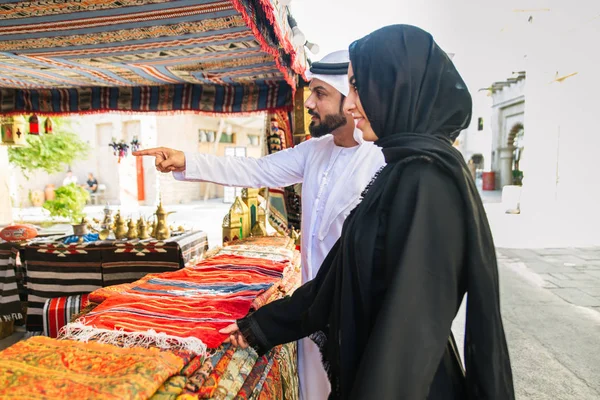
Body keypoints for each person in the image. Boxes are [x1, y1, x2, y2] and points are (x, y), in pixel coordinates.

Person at [219, 25, 515, 399]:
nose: (349, 104)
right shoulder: (399, 170)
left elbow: (409, 331)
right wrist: (258, 328)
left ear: (397, 88)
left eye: (359, 87)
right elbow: (336, 281)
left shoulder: (426, 180)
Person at [133, 50, 385, 400]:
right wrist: (187, 160)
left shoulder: (380, 160)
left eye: (321, 94)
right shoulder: (315, 150)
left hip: (357, 308)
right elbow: (256, 170)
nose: (309, 102)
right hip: (310, 309)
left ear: (349, 101)